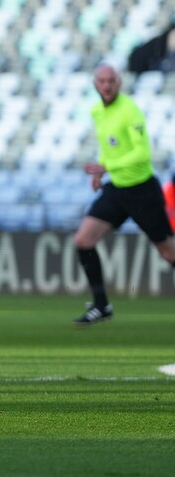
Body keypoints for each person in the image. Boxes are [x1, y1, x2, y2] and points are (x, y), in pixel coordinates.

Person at [71, 64, 175, 327]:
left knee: (168, 252)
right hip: (117, 189)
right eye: (102, 81)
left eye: (111, 81)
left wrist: (108, 166)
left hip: (142, 190)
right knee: (84, 240)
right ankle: (101, 305)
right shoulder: (97, 111)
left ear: (119, 83)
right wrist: (100, 172)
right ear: (95, 84)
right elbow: (108, 146)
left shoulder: (130, 110)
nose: (106, 86)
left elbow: (143, 153)